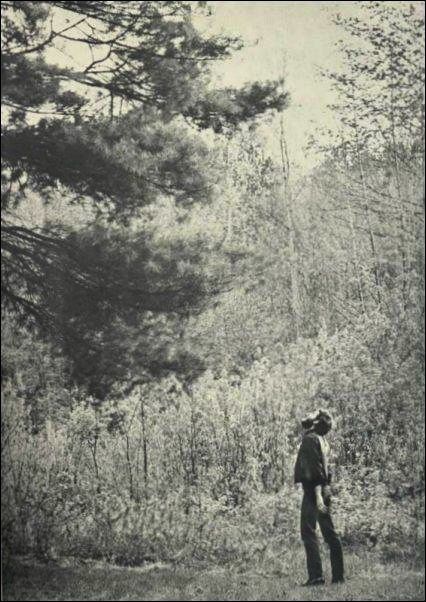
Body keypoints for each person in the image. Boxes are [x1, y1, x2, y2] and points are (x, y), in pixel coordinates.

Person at [294, 409, 345, 586]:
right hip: (323, 490)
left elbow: (315, 471)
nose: (309, 413)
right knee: (329, 533)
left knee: (308, 532)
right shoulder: (322, 440)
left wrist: (317, 497)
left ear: (316, 422)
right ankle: (338, 576)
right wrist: (326, 488)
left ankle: (316, 577)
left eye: (313, 413)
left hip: (314, 492)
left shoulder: (310, 439)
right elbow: (325, 470)